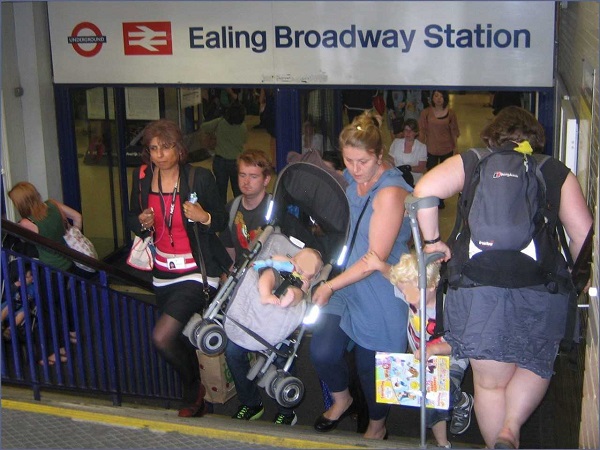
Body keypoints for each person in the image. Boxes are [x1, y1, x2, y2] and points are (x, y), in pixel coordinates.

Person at [413, 106, 593, 449]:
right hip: (539, 287)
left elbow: (424, 190)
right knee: (535, 361)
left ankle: (496, 440)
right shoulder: (553, 170)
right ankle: (511, 429)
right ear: (534, 139)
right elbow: (582, 232)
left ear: (493, 135)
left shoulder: (474, 161)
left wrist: (434, 241)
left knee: (490, 385)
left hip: (478, 289)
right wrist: (572, 274)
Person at [309, 111, 413, 440]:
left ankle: (378, 425)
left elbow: (374, 258)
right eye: (348, 160)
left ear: (379, 156)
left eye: (363, 161)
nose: (355, 169)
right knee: (322, 350)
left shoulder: (391, 193)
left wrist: (328, 286)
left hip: (380, 283)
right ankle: (343, 399)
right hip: (346, 278)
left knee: (375, 372)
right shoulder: (355, 177)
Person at [127, 119, 230, 418]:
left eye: (166, 147)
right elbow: (131, 218)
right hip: (162, 271)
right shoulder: (143, 177)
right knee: (179, 337)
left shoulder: (199, 178)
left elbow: (221, 220)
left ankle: (193, 389)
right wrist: (141, 221)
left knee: (162, 337)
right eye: (154, 148)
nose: (160, 155)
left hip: (196, 272)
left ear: (179, 148)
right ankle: (198, 389)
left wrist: (204, 216)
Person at [363, 250, 474, 446]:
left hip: (452, 356)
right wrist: (379, 265)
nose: (404, 295)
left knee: (443, 390)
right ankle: (442, 443)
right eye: (403, 290)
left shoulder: (448, 307)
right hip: (424, 356)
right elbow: (393, 277)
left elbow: (460, 343)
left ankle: (461, 401)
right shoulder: (412, 291)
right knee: (431, 400)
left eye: (409, 291)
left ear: (431, 286)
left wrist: (432, 351)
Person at [225, 247, 323, 426]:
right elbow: (272, 259)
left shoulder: (303, 283)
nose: (300, 272)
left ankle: (286, 411)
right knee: (232, 351)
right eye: (299, 267)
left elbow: (305, 288)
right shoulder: (283, 265)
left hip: (279, 325)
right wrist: (283, 263)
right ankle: (250, 402)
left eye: (307, 274)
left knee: (282, 359)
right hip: (255, 315)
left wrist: (302, 283)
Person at [8, 181, 83, 363]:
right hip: (67, 263)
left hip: (49, 270)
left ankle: (57, 351)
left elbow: (16, 239)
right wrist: (74, 237)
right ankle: (72, 335)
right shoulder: (52, 204)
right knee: (62, 302)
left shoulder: (27, 223)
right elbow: (77, 216)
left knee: (48, 310)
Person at [219, 149, 273, 267]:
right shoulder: (231, 208)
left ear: (266, 180)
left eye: (253, 176)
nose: (246, 182)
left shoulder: (276, 209)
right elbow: (229, 253)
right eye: (242, 175)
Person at [201, 100, 248, 205]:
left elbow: (204, 127)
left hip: (220, 161)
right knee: (238, 190)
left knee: (220, 191)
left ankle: (221, 214)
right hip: (237, 162)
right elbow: (244, 141)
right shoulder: (243, 127)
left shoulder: (220, 122)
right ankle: (238, 211)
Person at [418, 90, 460, 203]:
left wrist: (456, 147)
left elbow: (454, 131)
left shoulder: (451, 113)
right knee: (431, 173)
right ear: (432, 98)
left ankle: (441, 198)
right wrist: (419, 147)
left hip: (447, 148)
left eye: (441, 96)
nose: (438, 99)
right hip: (430, 148)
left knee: (444, 175)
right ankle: (432, 196)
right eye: (436, 96)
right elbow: (421, 130)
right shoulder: (426, 113)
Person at [254, 248, 323, 308]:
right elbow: (274, 259)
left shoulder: (305, 281)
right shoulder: (287, 262)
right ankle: (265, 295)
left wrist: (304, 288)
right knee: (269, 272)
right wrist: (289, 261)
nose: (300, 271)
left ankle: (286, 301)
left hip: (291, 287)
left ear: (311, 278)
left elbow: (304, 295)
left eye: (305, 271)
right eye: (299, 264)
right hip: (277, 276)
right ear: (293, 259)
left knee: (299, 294)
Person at [388, 118, 428, 187]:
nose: (408, 133)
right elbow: (390, 160)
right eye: (406, 130)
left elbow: (421, 168)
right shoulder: (396, 142)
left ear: (416, 132)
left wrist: (409, 168)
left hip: (415, 182)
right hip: (398, 180)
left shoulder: (422, 147)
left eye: (411, 130)